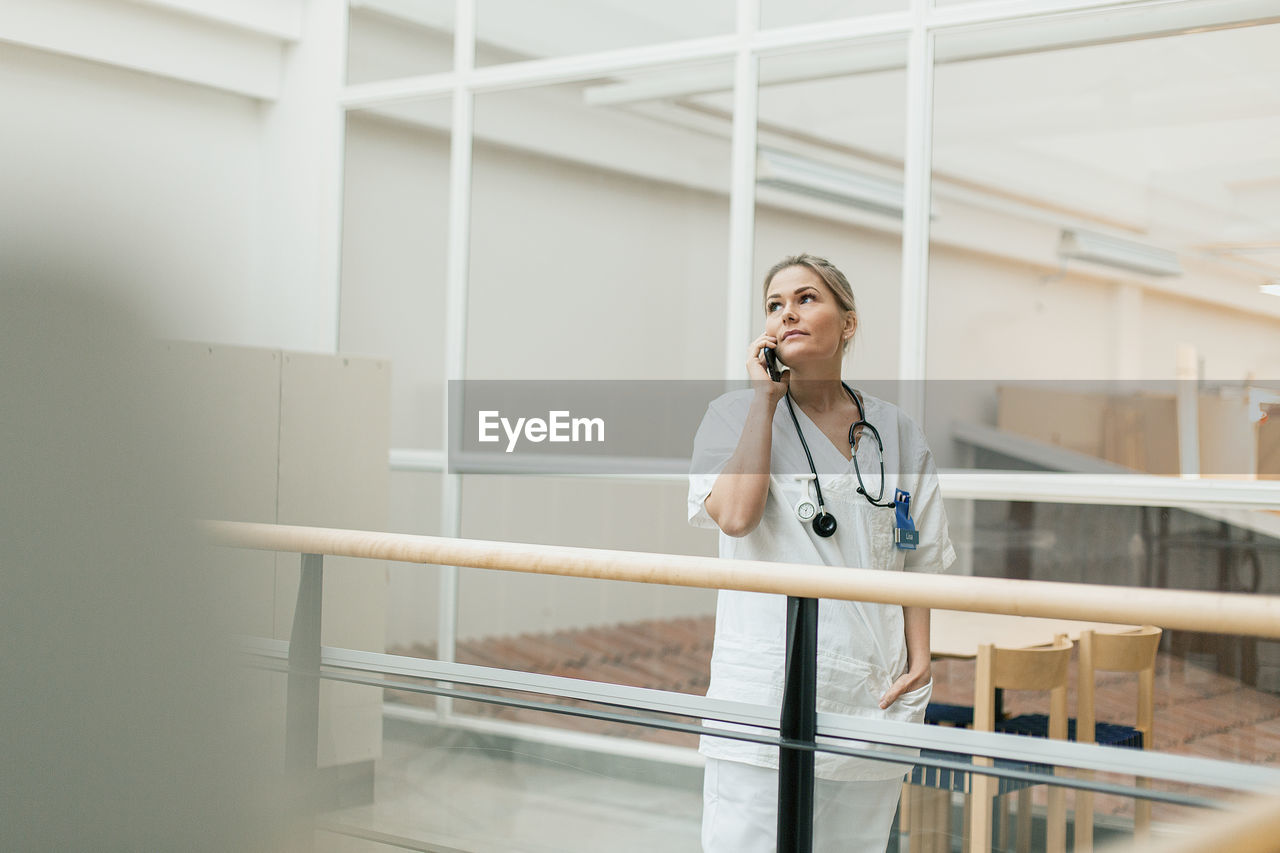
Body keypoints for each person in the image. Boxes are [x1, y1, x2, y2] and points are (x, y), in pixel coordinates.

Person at [688, 254, 956, 852]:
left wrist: (920, 657)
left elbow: (918, 554)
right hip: (767, 689)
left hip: (873, 692)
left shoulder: (897, 432)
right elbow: (735, 517)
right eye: (775, 305)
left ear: (849, 324)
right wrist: (764, 402)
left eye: (807, 299)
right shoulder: (733, 415)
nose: (788, 314)